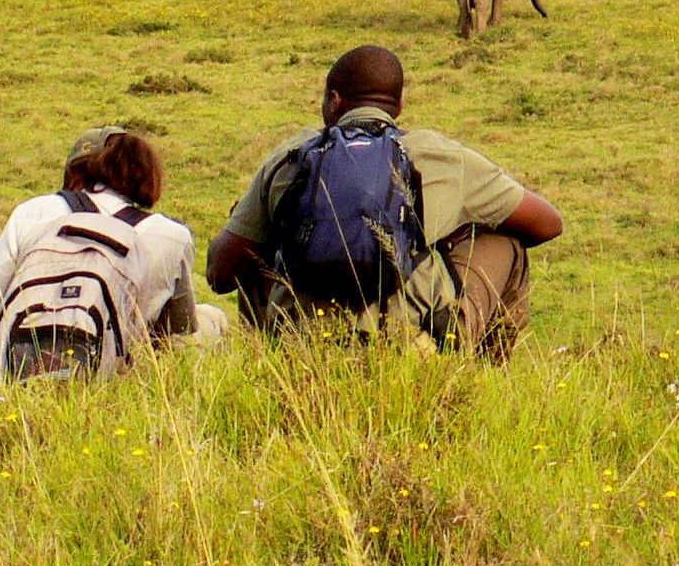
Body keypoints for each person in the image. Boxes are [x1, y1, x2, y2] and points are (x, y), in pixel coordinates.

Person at [205, 44, 563, 358]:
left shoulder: (291, 157)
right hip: (405, 340)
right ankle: (473, 363)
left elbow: (220, 274)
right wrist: (448, 238)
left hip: (301, 340)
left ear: (333, 100)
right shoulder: (439, 156)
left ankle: (268, 359)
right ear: (400, 104)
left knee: (250, 240)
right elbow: (547, 223)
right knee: (508, 242)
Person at [0, 126, 224, 379]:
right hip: (108, 380)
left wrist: (0, 370)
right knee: (214, 317)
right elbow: (173, 334)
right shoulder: (172, 235)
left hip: (16, 379)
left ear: (80, 171)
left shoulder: (34, 211)